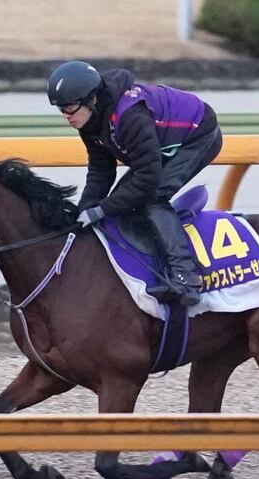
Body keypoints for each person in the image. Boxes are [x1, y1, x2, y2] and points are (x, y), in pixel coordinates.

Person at [47, 60, 223, 307]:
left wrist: (101, 209)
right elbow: (101, 169)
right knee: (121, 204)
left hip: (197, 136)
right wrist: (85, 208)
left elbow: (147, 182)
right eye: (61, 110)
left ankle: (187, 278)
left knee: (150, 199)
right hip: (161, 145)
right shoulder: (89, 121)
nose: (67, 116)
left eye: (70, 109)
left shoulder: (130, 116)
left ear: (92, 99)